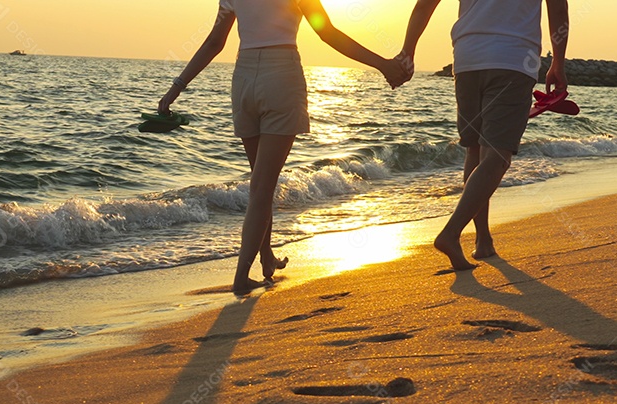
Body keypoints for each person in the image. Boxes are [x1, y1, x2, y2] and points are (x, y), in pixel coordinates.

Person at [159, 0, 410, 295]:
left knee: (260, 182)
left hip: (243, 81)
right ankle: (241, 277)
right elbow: (327, 32)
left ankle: (266, 257)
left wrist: (174, 89)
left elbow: (215, 42)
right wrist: (383, 65)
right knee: (263, 187)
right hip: (281, 76)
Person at [396, 0, 569, 269]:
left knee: (475, 150)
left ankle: (483, 240)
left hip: (467, 58)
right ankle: (450, 234)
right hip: (513, 59)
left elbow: (424, 4)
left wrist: (408, 51)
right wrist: (558, 62)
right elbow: (557, 8)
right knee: (497, 157)